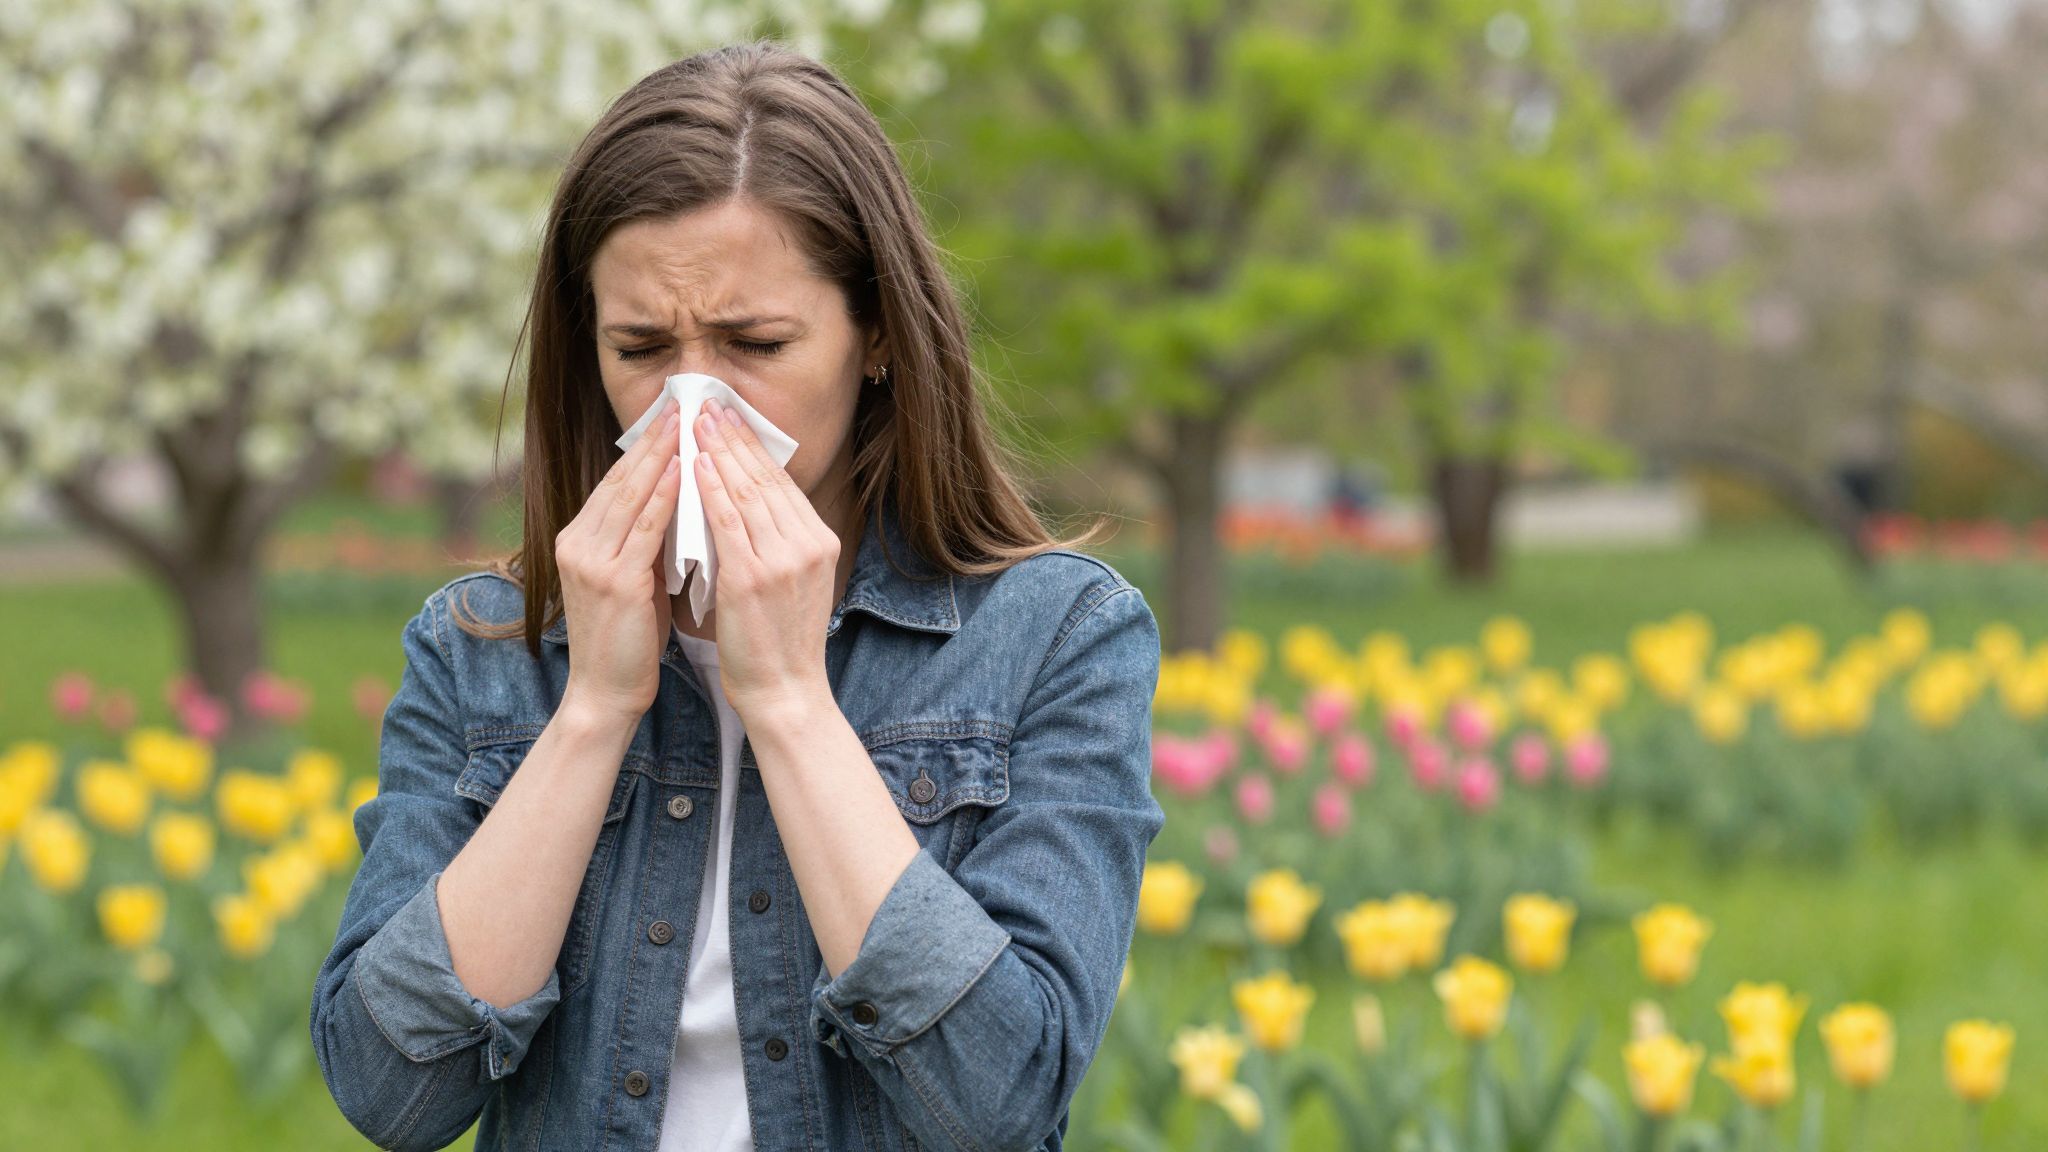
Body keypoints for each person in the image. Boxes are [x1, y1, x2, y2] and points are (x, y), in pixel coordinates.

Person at [310, 39, 1164, 1152]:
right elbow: (392, 1093)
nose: (691, 399)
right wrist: (591, 713)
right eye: (640, 346)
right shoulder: (480, 649)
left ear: (874, 341)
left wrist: (791, 702)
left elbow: (998, 1100)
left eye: (754, 343)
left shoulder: (1054, 635)